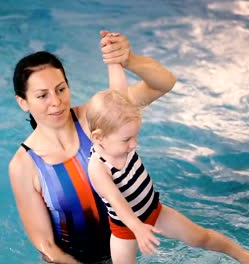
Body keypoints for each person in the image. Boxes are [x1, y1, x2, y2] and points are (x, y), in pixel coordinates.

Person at [9, 30, 177, 263]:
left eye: (60, 89)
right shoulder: (24, 165)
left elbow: (164, 84)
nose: (56, 102)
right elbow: (46, 246)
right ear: (23, 102)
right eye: (42, 96)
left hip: (128, 249)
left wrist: (129, 60)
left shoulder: (97, 118)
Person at [85, 63, 249, 264]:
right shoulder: (98, 168)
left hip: (155, 210)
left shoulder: (118, 127)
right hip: (126, 230)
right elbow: (117, 202)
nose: (134, 144)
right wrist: (137, 228)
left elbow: (119, 91)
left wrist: (114, 62)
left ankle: (244, 257)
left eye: (135, 136)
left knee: (200, 237)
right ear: (98, 137)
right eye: (127, 140)